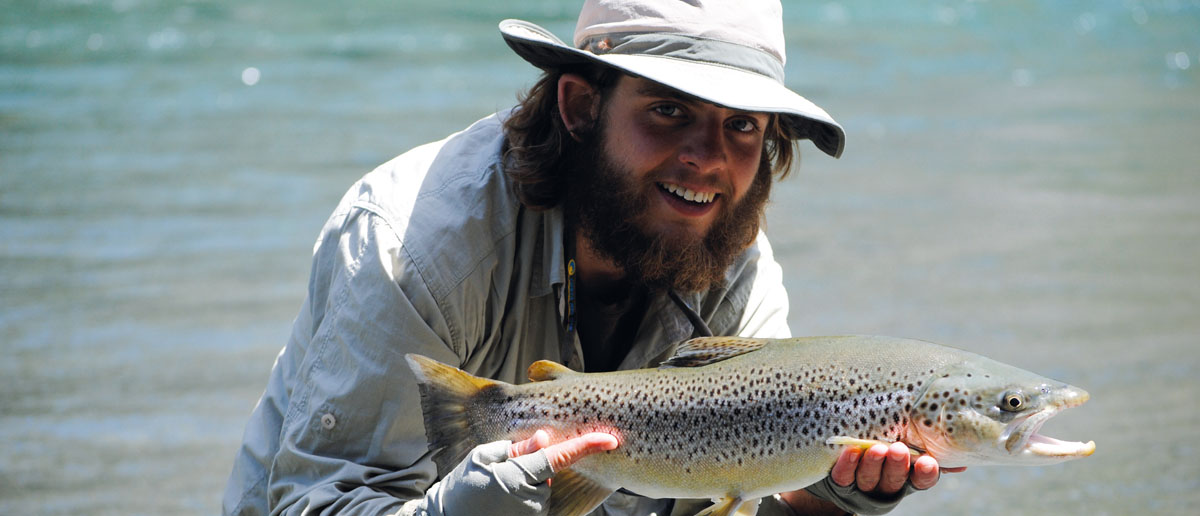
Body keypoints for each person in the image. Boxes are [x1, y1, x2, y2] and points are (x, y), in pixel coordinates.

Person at [223, 1, 957, 515]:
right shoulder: (414, 245)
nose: (707, 161)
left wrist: (841, 494)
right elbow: (321, 505)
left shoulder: (726, 253)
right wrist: (470, 509)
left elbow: (741, 499)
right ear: (579, 108)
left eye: (741, 127)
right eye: (669, 110)